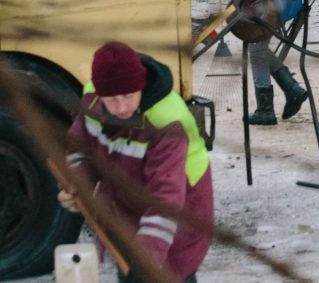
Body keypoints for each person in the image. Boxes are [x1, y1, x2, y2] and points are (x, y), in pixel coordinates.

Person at [60, 42, 214, 283]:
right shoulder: (94, 99)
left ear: (140, 86)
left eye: (129, 96)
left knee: (171, 271)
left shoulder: (167, 122)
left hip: (181, 206)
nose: (121, 107)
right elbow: (80, 146)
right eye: (112, 99)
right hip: (128, 202)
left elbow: (166, 198)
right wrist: (77, 183)